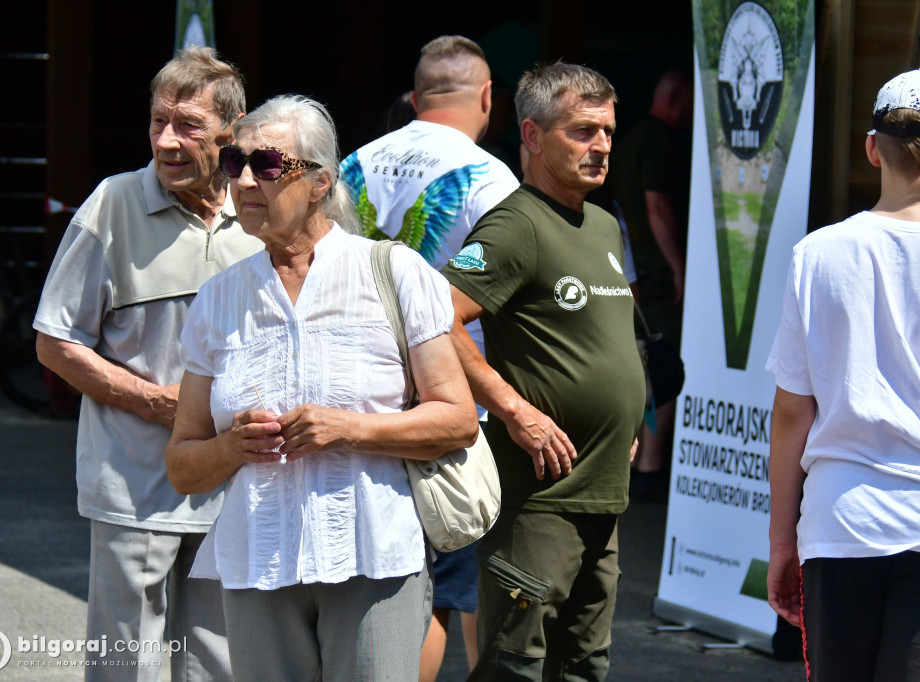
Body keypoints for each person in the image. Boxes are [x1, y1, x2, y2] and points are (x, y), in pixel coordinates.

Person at [164, 94, 478, 682]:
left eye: (268, 165)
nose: (246, 181)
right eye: (235, 164)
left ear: (319, 183)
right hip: (258, 561)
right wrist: (232, 448)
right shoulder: (218, 299)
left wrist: (349, 427)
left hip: (374, 558)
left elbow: (457, 419)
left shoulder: (395, 271)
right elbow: (183, 463)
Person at [33, 47, 259, 680]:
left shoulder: (260, 210)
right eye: (158, 122)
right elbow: (56, 342)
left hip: (232, 485)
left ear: (231, 132)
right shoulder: (112, 205)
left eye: (186, 125)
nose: (166, 140)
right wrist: (160, 403)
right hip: (133, 487)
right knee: (126, 662)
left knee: (218, 662)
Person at [766, 67, 920, 680]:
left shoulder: (816, 255)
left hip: (840, 527)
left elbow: (790, 415)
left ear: (870, 148)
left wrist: (783, 541)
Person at [441, 62, 646, 680]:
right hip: (540, 500)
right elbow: (437, 323)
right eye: (583, 131)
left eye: (608, 130)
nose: (603, 145)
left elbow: (608, 342)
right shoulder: (516, 224)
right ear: (531, 136)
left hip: (602, 492)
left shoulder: (604, 223)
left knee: (584, 664)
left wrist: (626, 417)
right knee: (515, 665)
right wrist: (516, 411)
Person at [340, 34, 519, 681]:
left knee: (389, 588)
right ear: (489, 97)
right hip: (450, 408)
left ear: (415, 98)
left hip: (361, 403)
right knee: (459, 588)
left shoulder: (351, 166)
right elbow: (500, 297)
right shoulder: (489, 177)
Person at [607, 68, 693, 502]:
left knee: (644, 366)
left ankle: (640, 463)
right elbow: (657, 208)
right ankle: (651, 467)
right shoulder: (659, 142)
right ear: (676, 99)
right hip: (654, 276)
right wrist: (678, 266)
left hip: (634, 271)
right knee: (665, 368)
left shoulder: (630, 140)